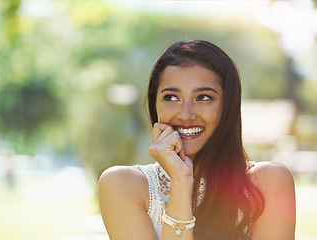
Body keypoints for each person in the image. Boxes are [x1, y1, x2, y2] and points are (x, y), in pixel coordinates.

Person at [98, 40, 296, 240]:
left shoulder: (268, 182)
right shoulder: (123, 184)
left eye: (203, 97)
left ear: (228, 106)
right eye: (171, 98)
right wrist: (181, 181)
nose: (185, 115)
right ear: (154, 103)